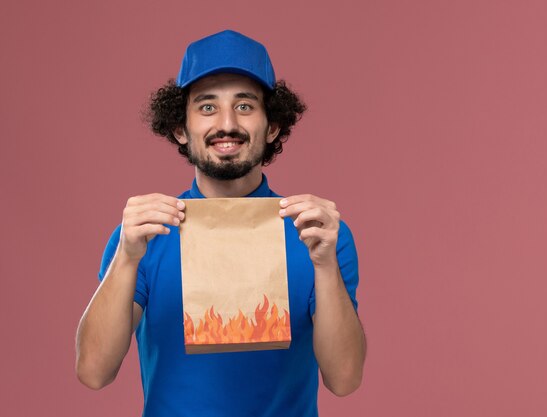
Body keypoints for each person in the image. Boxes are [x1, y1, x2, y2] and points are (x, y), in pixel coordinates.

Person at [75, 30, 365, 417]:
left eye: (245, 106)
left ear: (272, 126)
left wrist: (325, 263)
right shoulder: (145, 235)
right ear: (181, 128)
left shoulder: (315, 233)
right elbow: (93, 371)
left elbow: (344, 380)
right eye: (207, 107)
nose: (226, 124)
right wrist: (126, 257)